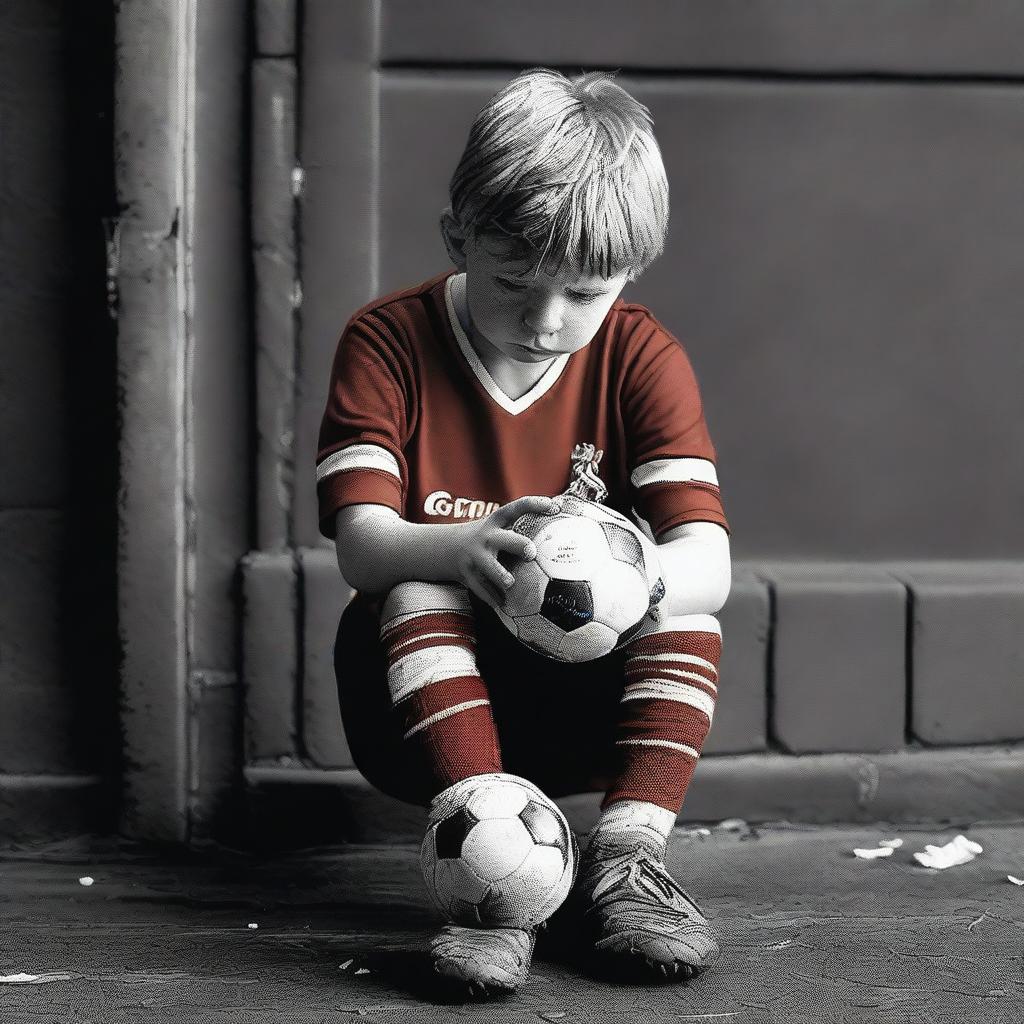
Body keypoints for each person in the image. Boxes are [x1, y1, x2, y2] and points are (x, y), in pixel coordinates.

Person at [316, 67, 732, 998]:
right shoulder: (388, 342)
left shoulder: (640, 355)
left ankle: (626, 866)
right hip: (421, 706)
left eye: (585, 294)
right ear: (457, 237)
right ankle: (488, 889)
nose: (547, 322)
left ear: (629, 274)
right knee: (419, 583)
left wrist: (637, 581)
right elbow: (361, 543)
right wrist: (458, 550)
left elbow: (712, 564)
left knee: (686, 611)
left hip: (585, 700)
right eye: (514, 283)